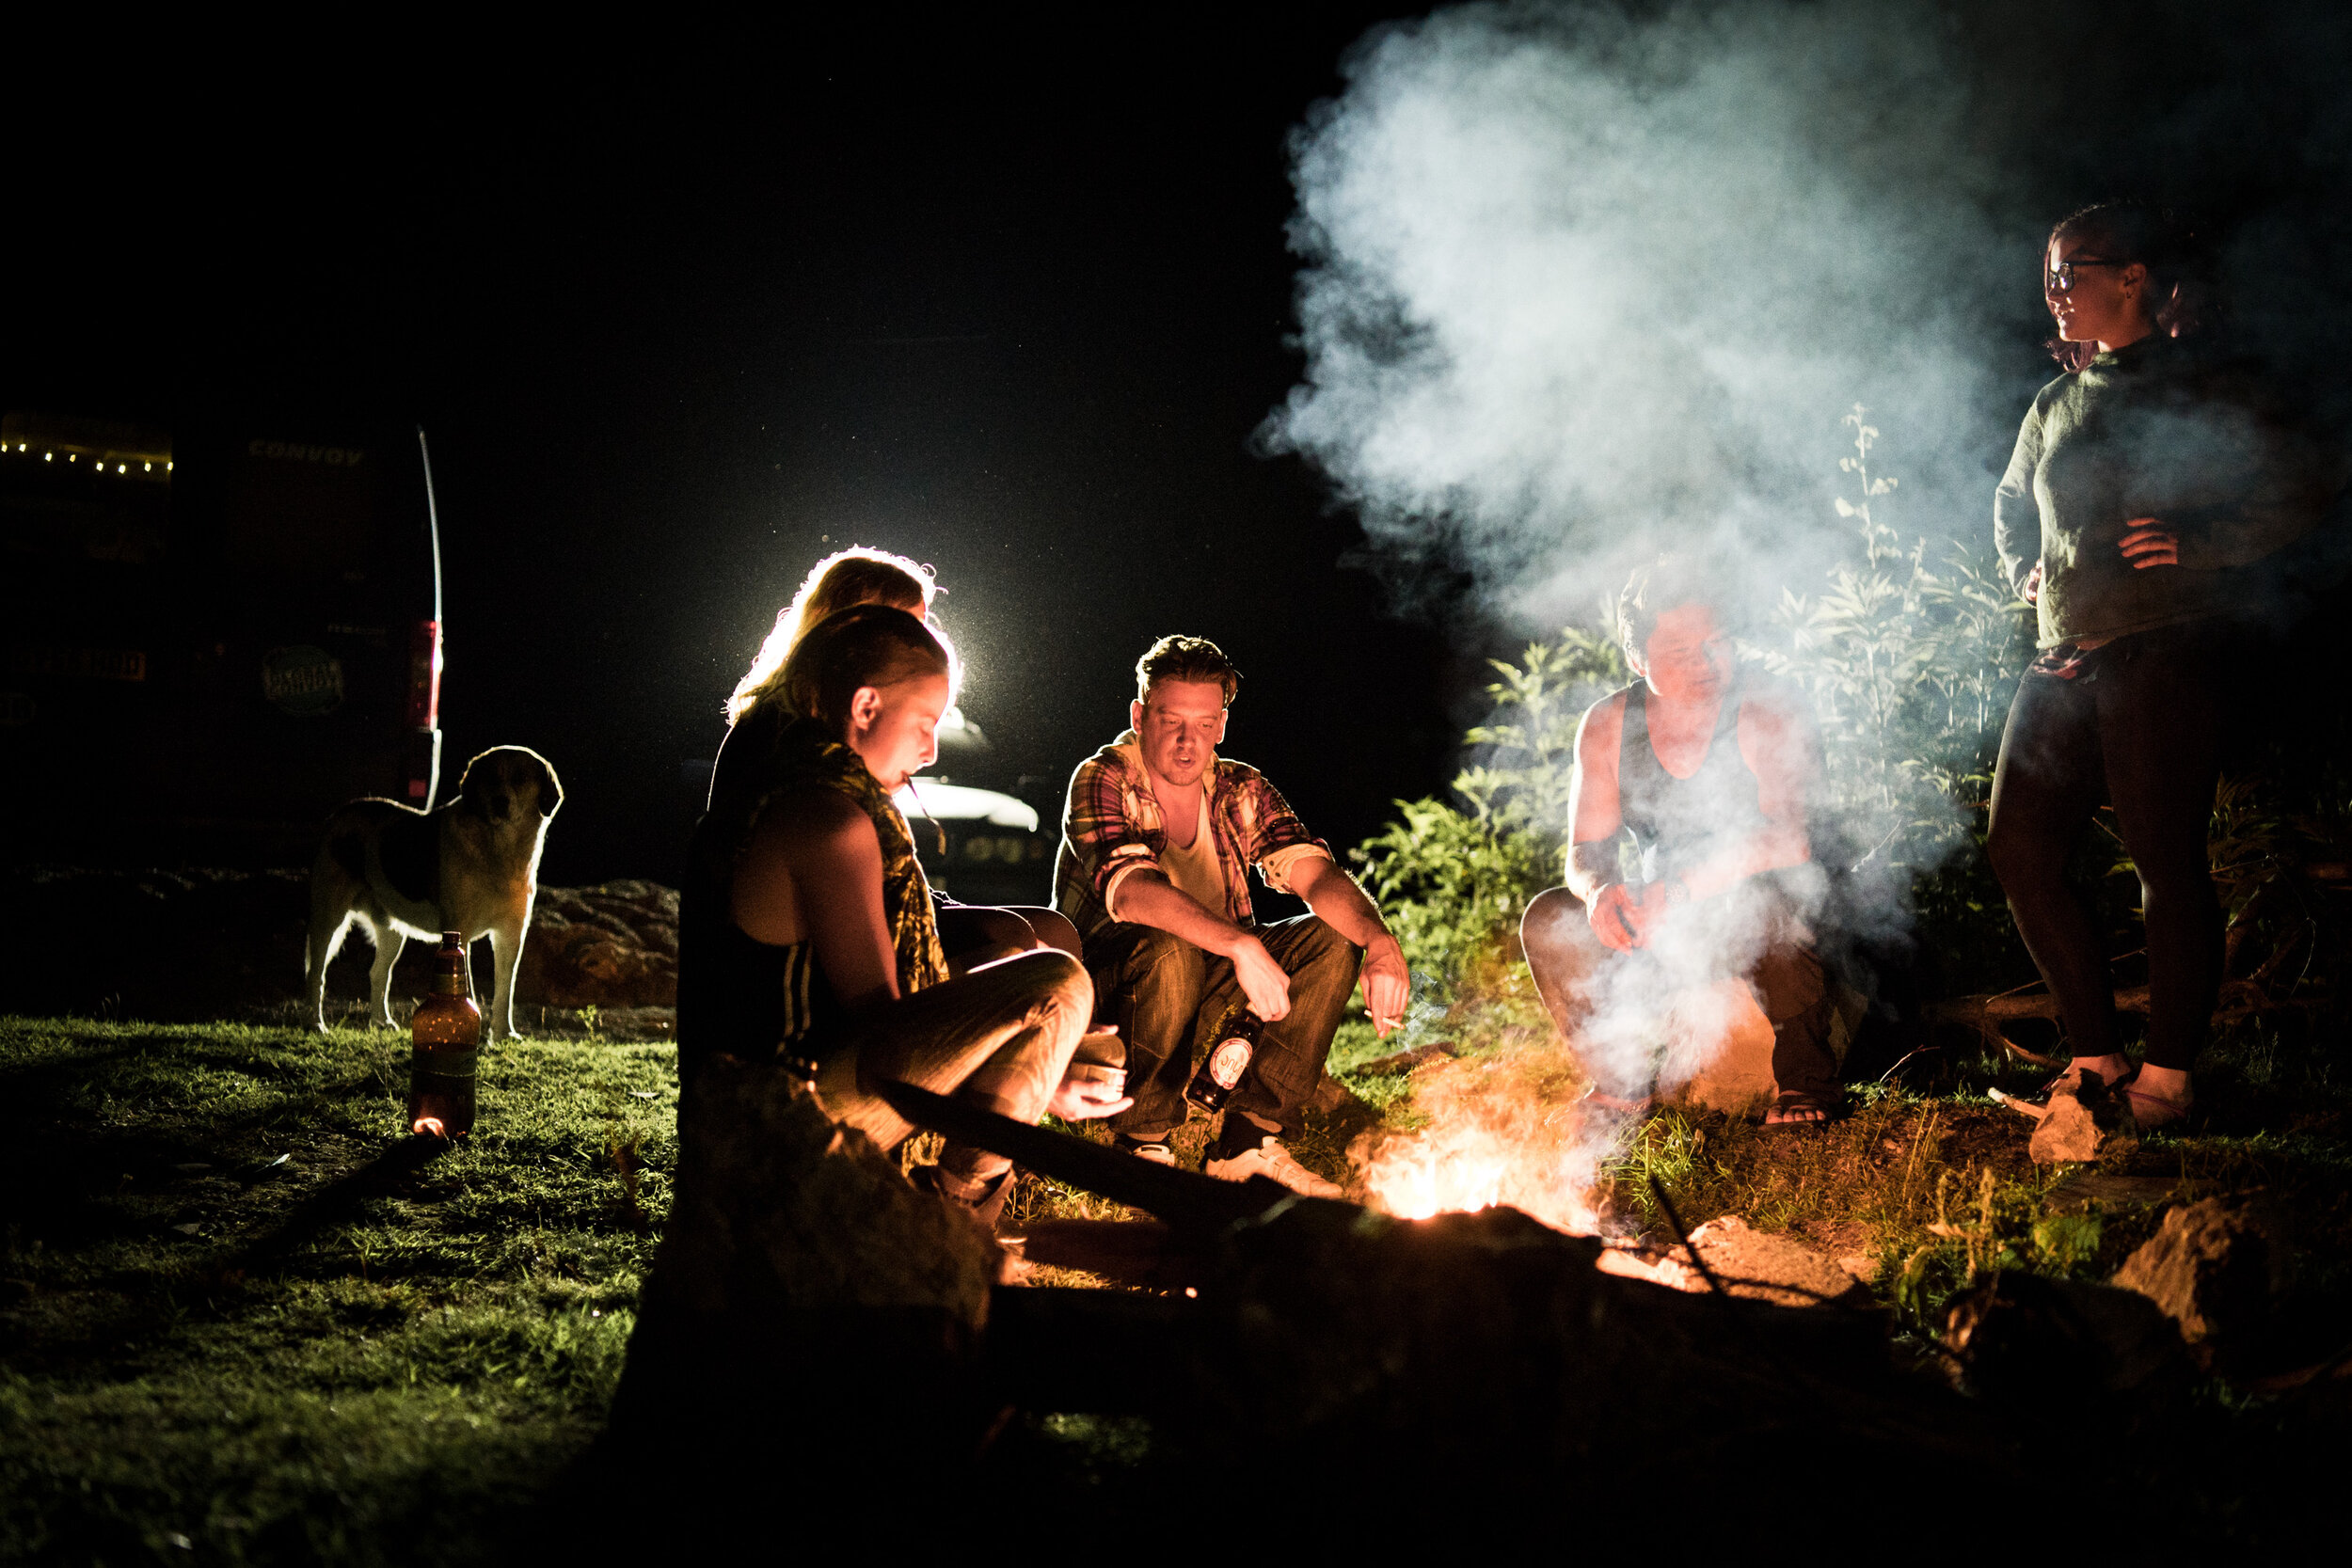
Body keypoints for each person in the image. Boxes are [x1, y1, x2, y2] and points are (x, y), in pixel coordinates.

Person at [1989, 201, 2336, 1128]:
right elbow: (2012, 496)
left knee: (2162, 858)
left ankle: (2169, 1079)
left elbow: (2309, 476)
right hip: (2065, 648)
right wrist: (2019, 563)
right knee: (2018, 844)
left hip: (2167, 642)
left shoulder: (2191, 381)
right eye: (2048, 277)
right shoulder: (2055, 400)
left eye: (2071, 273)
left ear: (2130, 277)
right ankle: (2095, 1058)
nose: (2053, 292)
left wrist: (2206, 542)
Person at [680, 604, 1130, 1223]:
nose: (930, 748)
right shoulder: (828, 821)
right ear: (865, 707)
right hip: (775, 1132)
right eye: (924, 721)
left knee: (1023, 964)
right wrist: (1041, 1076)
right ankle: (948, 1216)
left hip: (746, 1116)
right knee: (1056, 984)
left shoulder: (790, 785)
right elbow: (885, 1041)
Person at [1057, 635, 1409, 1196]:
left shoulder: (1237, 786)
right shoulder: (1104, 778)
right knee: (1170, 948)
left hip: (1204, 979)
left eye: (1202, 724)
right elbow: (1131, 891)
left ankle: (1248, 1143)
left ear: (1220, 724)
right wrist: (1242, 947)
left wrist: (1379, 943)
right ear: (1141, 715)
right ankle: (1143, 1142)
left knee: (1331, 937)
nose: (1185, 741)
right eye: (1171, 720)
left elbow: (1312, 873)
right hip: (1111, 988)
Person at [1519, 562, 1842, 1126]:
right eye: (1681, 649)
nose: (1706, 662)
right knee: (1549, 917)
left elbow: (1790, 841)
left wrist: (1680, 889)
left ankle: (1806, 1081)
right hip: (1671, 922)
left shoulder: (1768, 706)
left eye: (1716, 642)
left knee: (1774, 895)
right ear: (1638, 661)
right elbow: (1583, 851)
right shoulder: (1609, 724)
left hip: (1770, 917)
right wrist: (1601, 894)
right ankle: (1623, 1083)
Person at [728, 544, 1082, 971]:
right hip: (824, 912)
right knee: (1018, 945)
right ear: (846, 625)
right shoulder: (783, 734)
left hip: (877, 896)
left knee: (1052, 931)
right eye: (900, 626)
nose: (915, 644)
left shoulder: (851, 732)